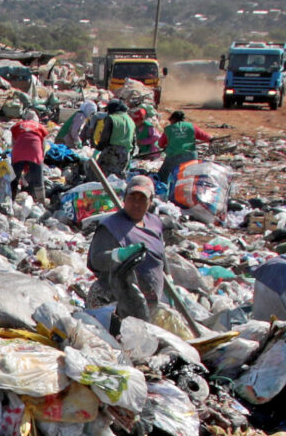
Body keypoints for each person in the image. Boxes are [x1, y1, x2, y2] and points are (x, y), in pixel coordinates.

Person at [84, 177, 169, 327]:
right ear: (124, 199)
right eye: (132, 198)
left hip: (146, 303)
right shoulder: (111, 226)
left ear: (151, 202)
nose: (136, 204)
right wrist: (118, 255)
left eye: (142, 199)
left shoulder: (154, 222)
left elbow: (160, 253)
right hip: (114, 302)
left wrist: (169, 279)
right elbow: (96, 259)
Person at [2, 109, 46, 210]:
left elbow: (14, 143)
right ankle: (41, 202)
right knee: (38, 179)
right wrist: (40, 159)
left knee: (14, 178)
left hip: (19, 151)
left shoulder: (18, 125)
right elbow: (43, 145)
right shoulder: (40, 127)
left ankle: (10, 199)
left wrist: (16, 157)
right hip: (35, 151)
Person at [93, 99, 137, 178]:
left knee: (101, 175)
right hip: (125, 153)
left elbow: (105, 137)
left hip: (112, 152)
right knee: (118, 177)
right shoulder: (130, 120)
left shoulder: (112, 118)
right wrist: (130, 155)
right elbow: (134, 140)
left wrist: (97, 150)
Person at [159, 109, 200, 186]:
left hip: (174, 156)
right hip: (191, 156)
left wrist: (165, 146)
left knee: (164, 174)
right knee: (189, 177)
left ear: (173, 119)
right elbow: (204, 135)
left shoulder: (169, 129)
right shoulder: (191, 126)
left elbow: (160, 144)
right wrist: (210, 139)